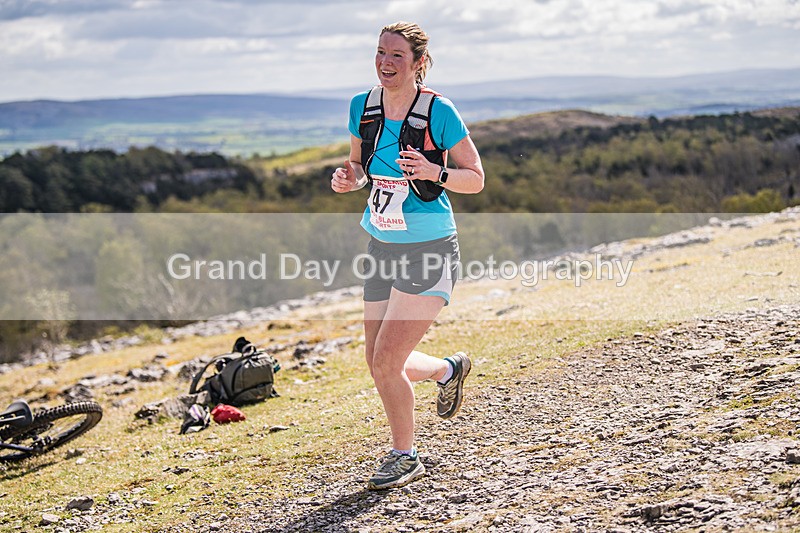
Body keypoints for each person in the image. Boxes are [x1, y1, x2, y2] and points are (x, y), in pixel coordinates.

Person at [330, 21, 484, 490]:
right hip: (381, 244)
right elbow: (360, 166)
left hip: (429, 247)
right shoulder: (362, 107)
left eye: (397, 55)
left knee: (385, 363)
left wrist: (435, 171)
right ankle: (447, 370)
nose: (385, 63)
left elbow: (475, 177)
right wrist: (349, 179)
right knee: (376, 359)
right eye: (380, 53)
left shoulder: (438, 111)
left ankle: (405, 455)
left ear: (418, 62)